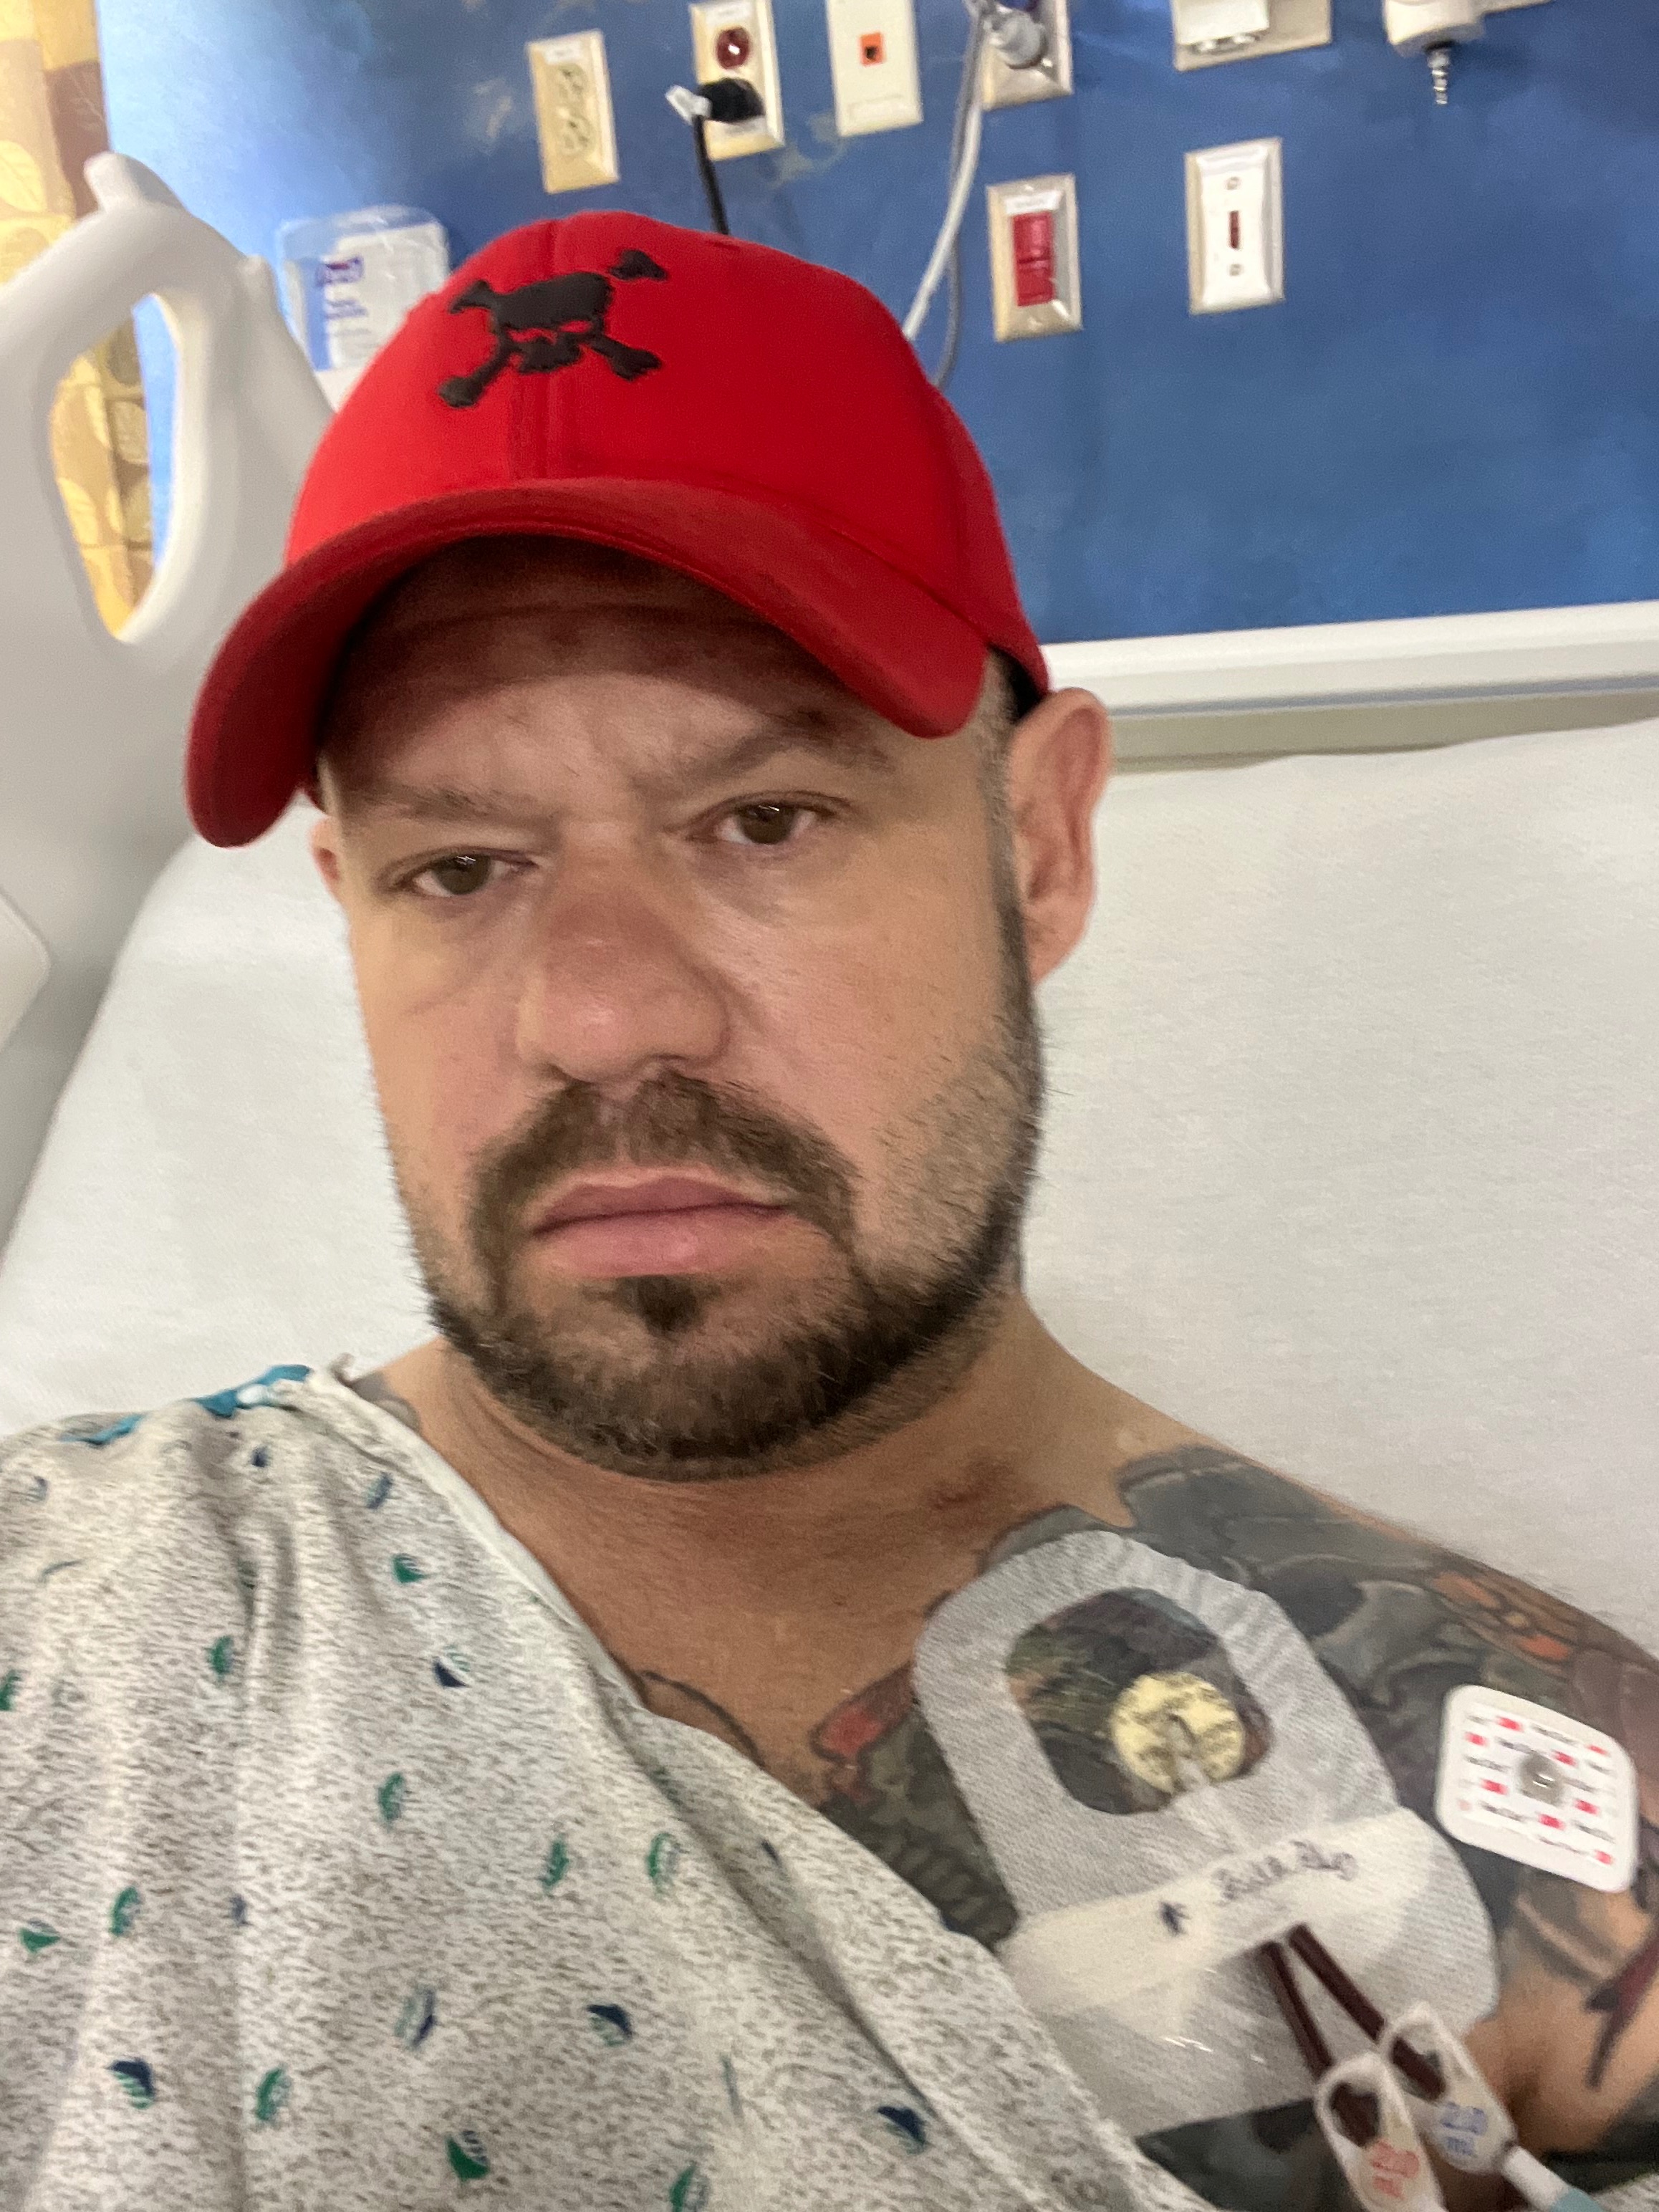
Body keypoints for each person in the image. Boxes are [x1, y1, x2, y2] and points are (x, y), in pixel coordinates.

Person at [3, 211, 1657, 2212]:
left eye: (762, 821)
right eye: (460, 867)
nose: (603, 1016)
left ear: (1037, 847)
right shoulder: (84, 1615)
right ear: (346, 907)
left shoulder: (1534, 1795)